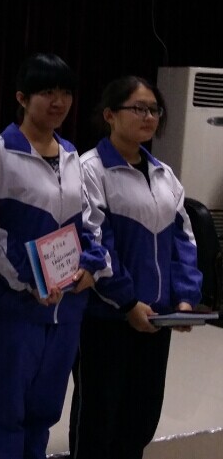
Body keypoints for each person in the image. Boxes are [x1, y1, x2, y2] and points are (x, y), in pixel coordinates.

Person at [0, 53, 110, 459]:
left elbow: (90, 223)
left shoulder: (71, 155)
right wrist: (31, 282)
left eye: (66, 92)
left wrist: (91, 266)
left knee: (44, 412)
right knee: (4, 413)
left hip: (65, 309)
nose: (58, 101)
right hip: (14, 307)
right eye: (47, 92)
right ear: (22, 97)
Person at [68, 76, 202, 459]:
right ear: (110, 114)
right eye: (138, 108)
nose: (149, 117)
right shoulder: (90, 169)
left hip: (157, 318)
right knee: (98, 419)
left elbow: (184, 240)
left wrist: (184, 300)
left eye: (154, 110)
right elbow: (95, 241)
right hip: (107, 318)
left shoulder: (164, 174)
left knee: (140, 419)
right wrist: (127, 302)